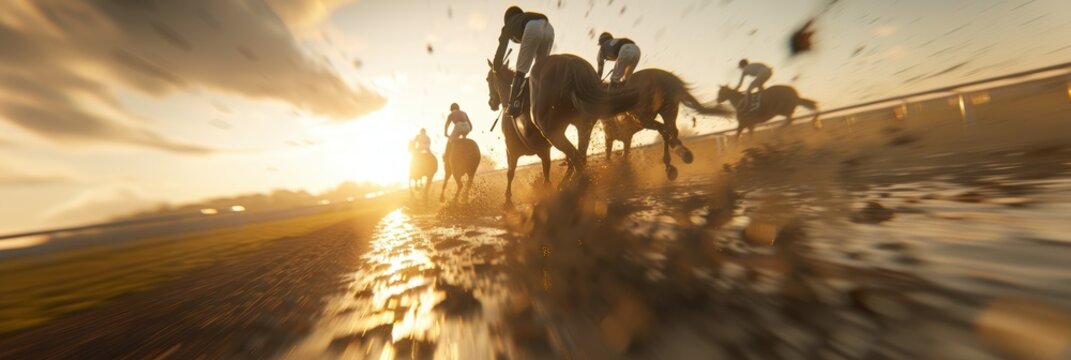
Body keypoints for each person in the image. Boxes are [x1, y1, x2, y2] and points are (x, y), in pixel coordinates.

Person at [492, 6, 554, 117]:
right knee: (540, 69)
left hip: (532, 28)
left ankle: (513, 104)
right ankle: (548, 98)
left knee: (521, 68)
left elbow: (502, 47)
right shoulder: (525, 17)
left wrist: (496, 67)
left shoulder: (508, 25)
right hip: (549, 28)